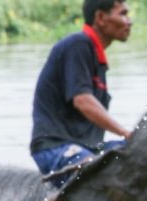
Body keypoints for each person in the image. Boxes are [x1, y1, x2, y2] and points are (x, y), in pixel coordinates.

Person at [29, 0, 134, 186]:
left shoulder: (97, 60)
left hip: (89, 148)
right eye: (123, 14)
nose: (129, 21)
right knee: (95, 172)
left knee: (140, 151)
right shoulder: (78, 45)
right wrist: (124, 132)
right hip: (56, 147)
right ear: (101, 17)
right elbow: (82, 101)